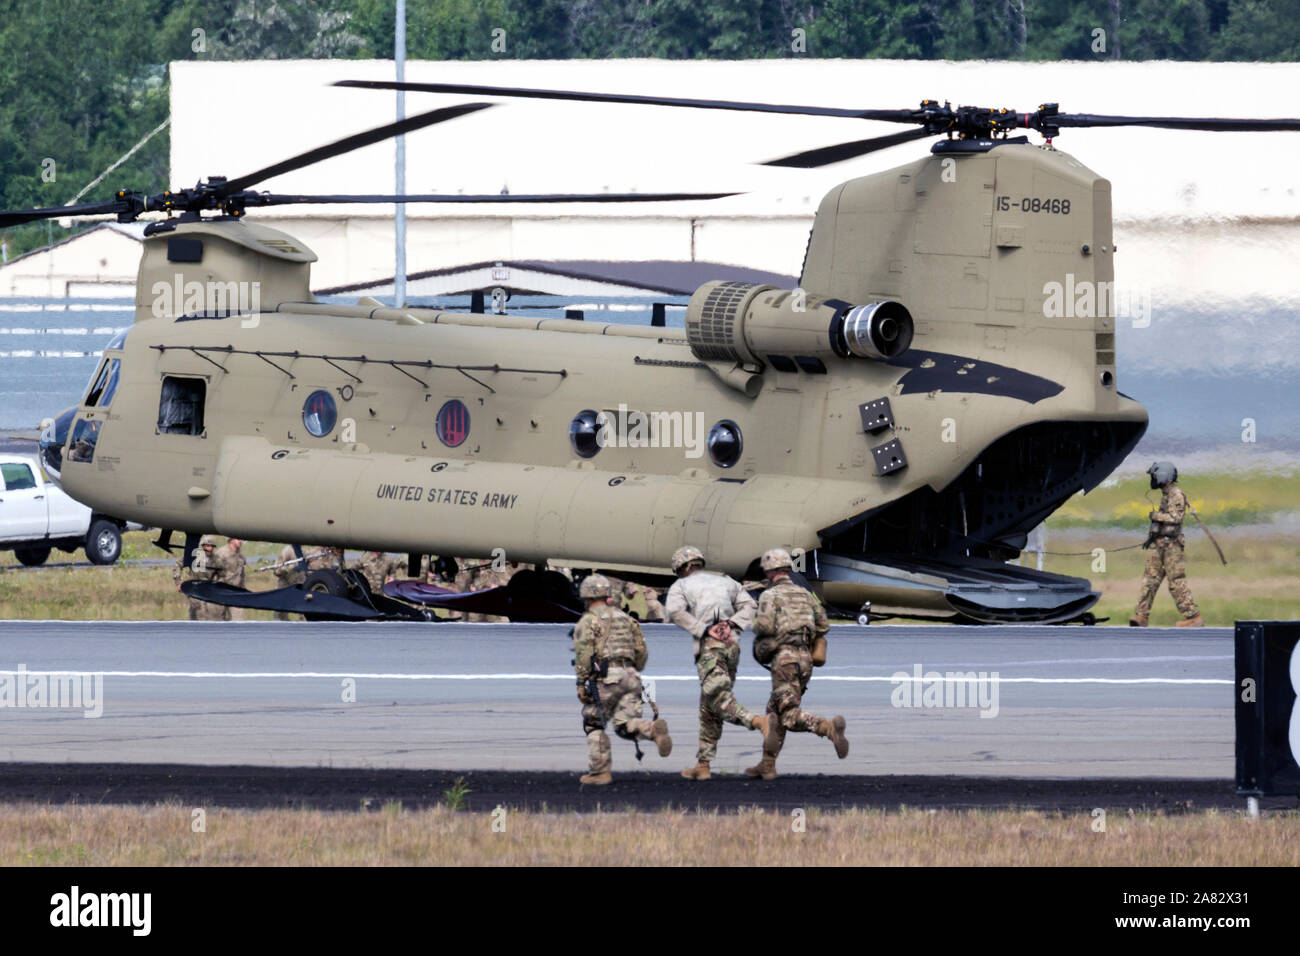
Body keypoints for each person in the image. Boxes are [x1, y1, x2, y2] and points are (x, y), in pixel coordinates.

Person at [664, 545, 770, 781]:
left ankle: (759, 722)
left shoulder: (680, 586)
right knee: (709, 709)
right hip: (732, 646)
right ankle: (703, 764)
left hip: (710, 648)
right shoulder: (727, 581)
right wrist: (730, 625)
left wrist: (703, 629)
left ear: (683, 567)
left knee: (720, 701)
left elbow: (674, 611)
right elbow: (750, 605)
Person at [746, 549, 848, 780]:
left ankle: (827, 728)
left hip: (784, 659)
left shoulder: (769, 596)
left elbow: (763, 626)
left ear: (770, 571)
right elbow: (823, 624)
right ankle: (767, 764)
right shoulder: (805, 594)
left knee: (789, 715)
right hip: (806, 659)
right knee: (773, 711)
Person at [571, 574, 672, 785]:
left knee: (593, 723)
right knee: (625, 724)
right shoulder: (627, 618)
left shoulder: (587, 621)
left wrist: (581, 683)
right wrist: (635, 670)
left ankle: (600, 772)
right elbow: (641, 650)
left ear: (586, 596)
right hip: (632, 676)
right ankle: (651, 730)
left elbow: (583, 655)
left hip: (607, 678)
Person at [1131, 461, 1203, 627]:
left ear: (1163, 475)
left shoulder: (1176, 494)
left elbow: (1175, 519)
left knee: (1176, 581)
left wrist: (1156, 516)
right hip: (1160, 544)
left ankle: (1193, 617)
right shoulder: (1166, 494)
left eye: (1155, 476)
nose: (1153, 479)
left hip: (1171, 546)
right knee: (1149, 580)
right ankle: (1141, 616)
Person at [173, 534, 228, 621]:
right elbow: (178, 565)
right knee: (196, 608)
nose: (209, 548)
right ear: (202, 546)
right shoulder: (194, 555)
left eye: (211, 546)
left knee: (212, 611)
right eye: (207, 546)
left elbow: (222, 574)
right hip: (194, 586)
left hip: (209, 588)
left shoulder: (216, 559)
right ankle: (194, 625)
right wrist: (178, 583)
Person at [213, 537, 246, 620]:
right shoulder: (221, 553)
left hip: (236, 592)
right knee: (218, 620)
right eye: (238, 539)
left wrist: (243, 590)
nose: (240, 541)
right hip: (220, 591)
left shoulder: (241, 555)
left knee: (238, 620)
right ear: (231, 540)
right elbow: (212, 572)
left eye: (240, 539)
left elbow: (242, 574)